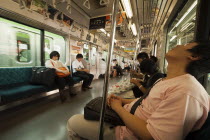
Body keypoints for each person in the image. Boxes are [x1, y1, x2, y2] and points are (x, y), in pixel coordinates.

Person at [67, 40, 210, 140]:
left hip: (129, 133)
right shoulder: (169, 80)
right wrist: (122, 101)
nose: (178, 45)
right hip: (128, 115)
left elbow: (151, 136)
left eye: (185, 45)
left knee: (73, 122)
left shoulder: (186, 91)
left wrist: (118, 108)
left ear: (193, 56)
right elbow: (148, 103)